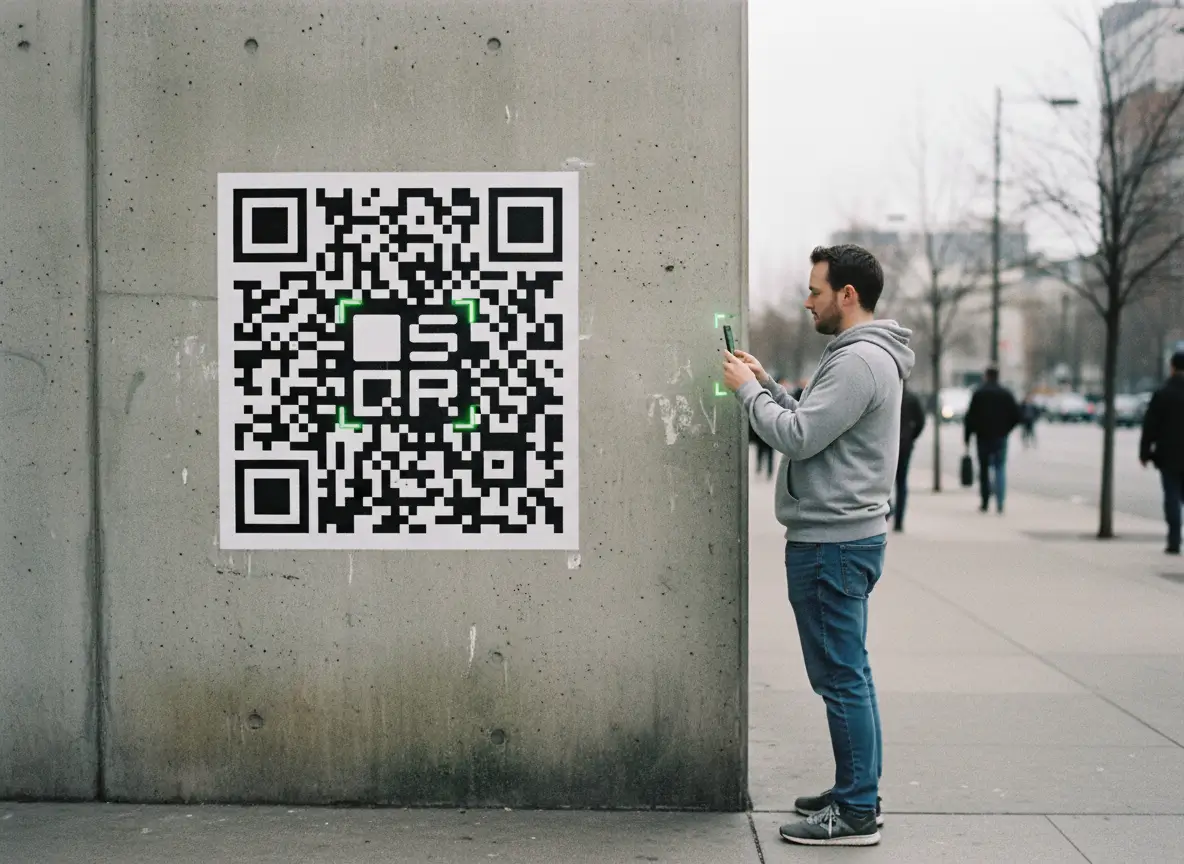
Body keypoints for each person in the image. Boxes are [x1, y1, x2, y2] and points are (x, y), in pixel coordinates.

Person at [722, 244, 914, 847]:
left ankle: (855, 811)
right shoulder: (861, 357)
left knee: (840, 678)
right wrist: (767, 384)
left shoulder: (858, 361)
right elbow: (818, 424)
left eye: (815, 290)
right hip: (841, 538)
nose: (807, 302)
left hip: (832, 543)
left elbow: (800, 438)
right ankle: (858, 793)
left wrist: (746, 395)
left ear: (847, 295)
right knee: (847, 673)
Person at [1140, 351, 1184, 554]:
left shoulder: (1163, 394)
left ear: (1172, 367)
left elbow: (1150, 425)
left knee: (1172, 496)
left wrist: (1145, 451)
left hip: (1169, 455)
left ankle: (1174, 539)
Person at [963, 368, 1021, 514]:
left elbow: (970, 417)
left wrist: (968, 437)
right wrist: (1006, 429)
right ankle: (1000, 503)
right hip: (1000, 436)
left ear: (986, 376)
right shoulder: (1006, 394)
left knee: (984, 470)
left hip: (983, 436)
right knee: (999, 468)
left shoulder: (979, 393)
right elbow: (1017, 415)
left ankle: (985, 501)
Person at [891, 383, 926, 532]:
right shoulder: (912, 398)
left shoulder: (889, 396)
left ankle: (888, 511)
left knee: (882, 481)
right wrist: (911, 437)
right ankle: (899, 521)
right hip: (905, 445)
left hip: (887, 446)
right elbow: (921, 422)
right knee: (902, 483)